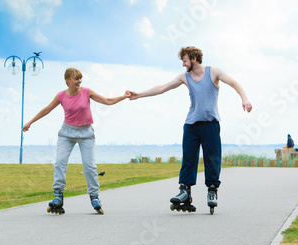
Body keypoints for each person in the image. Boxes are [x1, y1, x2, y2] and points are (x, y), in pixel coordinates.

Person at [126, 46, 252, 214]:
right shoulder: (184, 77)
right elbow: (162, 87)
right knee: (189, 159)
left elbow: (233, 82)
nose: (183, 64)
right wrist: (139, 94)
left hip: (210, 124)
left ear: (193, 58)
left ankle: (212, 190)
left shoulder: (213, 72)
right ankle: (185, 191)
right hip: (191, 125)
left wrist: (244, 99)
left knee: (212, 158)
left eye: (184, 61)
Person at [23, 68, 129, 214]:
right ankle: (58, 196)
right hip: (66, 133)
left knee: (89, 166)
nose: (79, 81)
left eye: (80, 78)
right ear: (67, 80)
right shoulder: (61, 96)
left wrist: (124, 96)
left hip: (86, 133)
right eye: (76, 79)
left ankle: (94, 196)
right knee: (60, 162)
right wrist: (30, 122)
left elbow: (107, 101)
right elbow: (47, 109)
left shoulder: (87, 92)